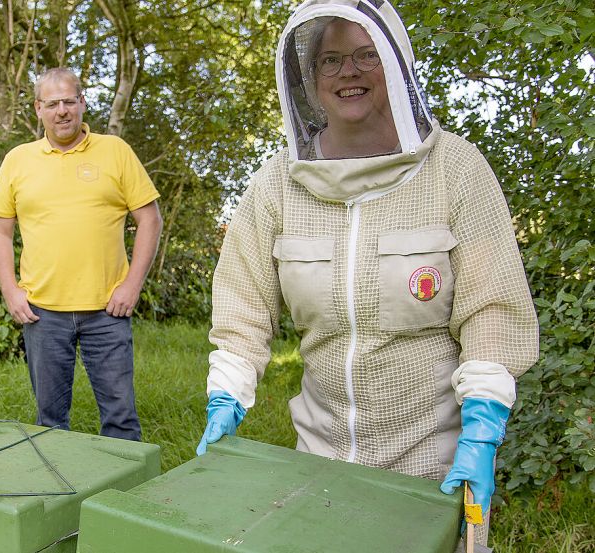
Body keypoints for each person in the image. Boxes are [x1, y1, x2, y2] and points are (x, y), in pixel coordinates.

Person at [195, 0, 538, 547]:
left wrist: (483, 426)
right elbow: (242, 301)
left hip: (437, 465)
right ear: (308, 79)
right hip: (322, 460)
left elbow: (492, 307)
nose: (348, 72)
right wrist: (227, 396)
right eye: (330, 60)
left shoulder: (455, 168)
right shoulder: (277, 183)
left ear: (397, 67)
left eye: (366, 55)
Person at [0, 67, 162, 441]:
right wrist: (10, 291)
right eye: (52, 104)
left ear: (83, 103)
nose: (61, 111)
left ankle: (121, 497)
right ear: (38, 109)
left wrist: (131, 286)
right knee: (49, 422)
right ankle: (56, 495)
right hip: (42, 312)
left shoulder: (115, 151)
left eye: (69, 101)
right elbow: (0, 230)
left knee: (121, 418)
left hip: (107, 310)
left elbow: (150, 220)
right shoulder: (18, 159)